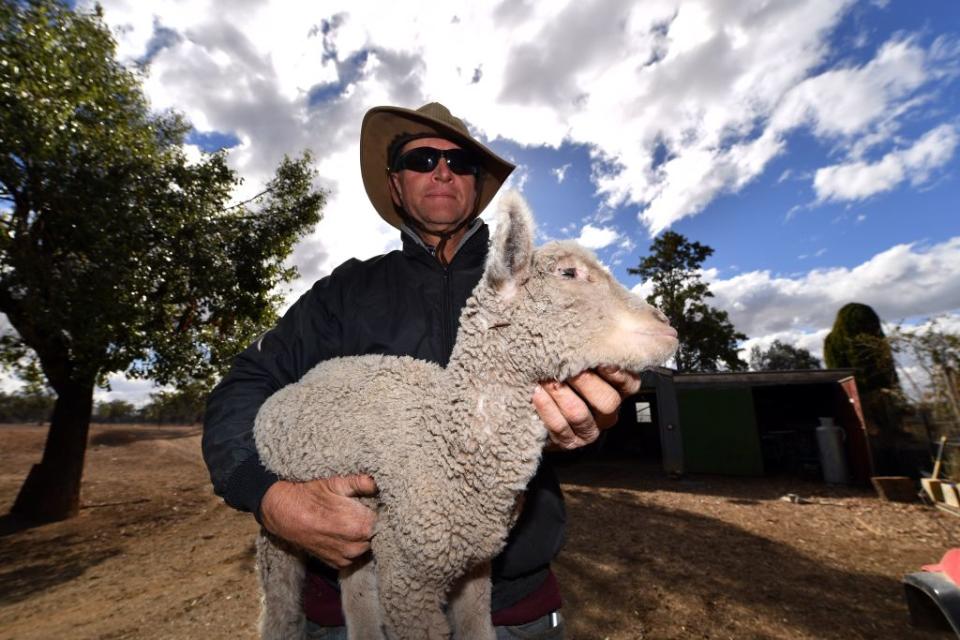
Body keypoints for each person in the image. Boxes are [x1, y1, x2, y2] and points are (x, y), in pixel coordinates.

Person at [202, 102, 641, 639]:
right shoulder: (345, 292)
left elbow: (606, 397)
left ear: (477, 188)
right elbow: (244, 386)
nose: (442, 170)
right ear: (394, 185)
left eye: (460, 162)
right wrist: (267, 494)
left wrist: (601, 419)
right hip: (354, 608)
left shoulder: (542, 285)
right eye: (423, 158)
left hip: (510, 606)